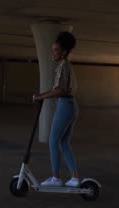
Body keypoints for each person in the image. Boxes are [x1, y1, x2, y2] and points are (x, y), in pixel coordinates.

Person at [32, 31, 80, 187]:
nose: (52, 53)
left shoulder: (63, 66)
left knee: (53, 141)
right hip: (70, 105)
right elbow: (59, 89)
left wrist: (40, 97)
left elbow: (59, 90)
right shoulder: (65, 65)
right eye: (52, 50)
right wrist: (41, 96)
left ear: (64, 52)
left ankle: (56, 178)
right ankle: (74, 178)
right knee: (64, 143)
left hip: (65, 106)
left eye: (56, 50)